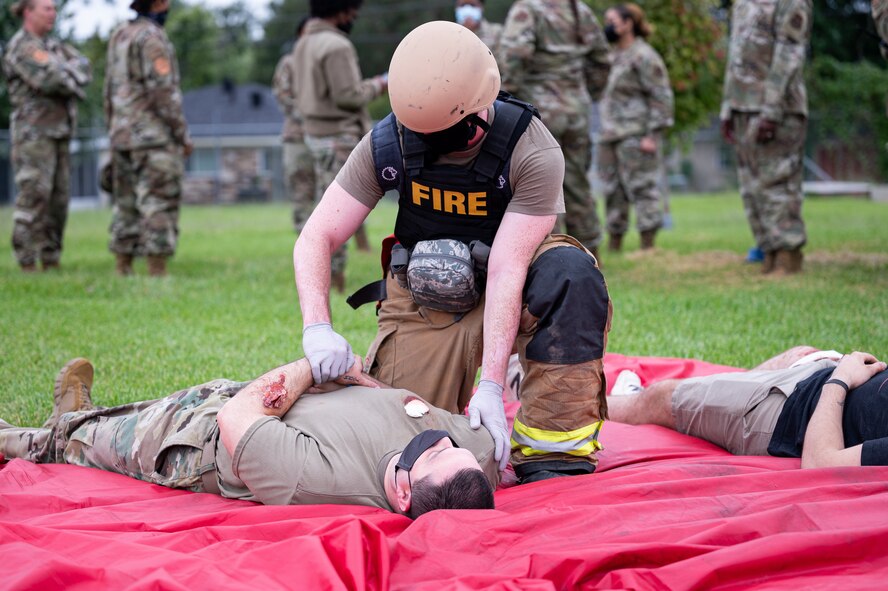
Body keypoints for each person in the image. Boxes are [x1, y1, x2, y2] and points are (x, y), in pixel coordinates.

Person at [294, 21, 612, 485]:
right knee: (398, 446)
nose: (438, 147)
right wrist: (317, 328)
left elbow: (507, 268)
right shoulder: (391, 142)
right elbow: (316, 235)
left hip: (514, 287)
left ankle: (551, 449)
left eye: (454, 135)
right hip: (428, 298)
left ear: (484, 104)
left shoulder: (532, 150)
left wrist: (490, 386)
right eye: (428, 137)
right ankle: (504, 375)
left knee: (569, 272)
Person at [0, 355, 497, 518]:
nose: (439, 440)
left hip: (199, 442)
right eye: (448, 446)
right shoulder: (464, 462)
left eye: (429, 455)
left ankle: (24, 437)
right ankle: (75, 418)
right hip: (264, 402)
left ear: (405, 491)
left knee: (84, 445)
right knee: (116, 418)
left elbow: (237, 416)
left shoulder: (315, 482)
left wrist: (311, 364)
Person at [607, 347, 888, 467]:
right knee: (800, 353)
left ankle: (584, 406)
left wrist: (841, 379)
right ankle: (722, 390)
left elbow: (822, 463)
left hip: (789, 413)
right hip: (825, 378)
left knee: (660, 397)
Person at [498, 0, 611, 259]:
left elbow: (516, 53)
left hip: (540, 112)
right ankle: (591, 252)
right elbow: (602, 58)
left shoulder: (527, 9)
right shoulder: (578, 10)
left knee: (544, 186)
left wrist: (506, 96)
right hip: (577, 110)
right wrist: (587, 92)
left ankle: (554, 255)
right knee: (577, 182)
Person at [291, 0, 387, 292]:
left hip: (313, 135)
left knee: (317, 213)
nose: (354, 16)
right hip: (338, 138)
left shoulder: (303, 44)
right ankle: (334, 283)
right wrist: (381, 83)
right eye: (353, 11)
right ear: (344, 11)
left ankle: (320, 277)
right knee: (336, 218)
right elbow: (348, 96)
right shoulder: (336, 46)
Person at [720, 0, 812, 275]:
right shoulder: (742, 3)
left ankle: (787, 254)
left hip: (778, 106)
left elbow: (790, 54)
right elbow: (735, 54)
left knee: (777, 182)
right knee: (752, 186)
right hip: (742, 105)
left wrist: (772, 109)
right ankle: (769, 251)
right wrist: (728, 106)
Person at [105, 0, 192, 278]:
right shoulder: (151, 38)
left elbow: (109, 88)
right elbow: (163, 92)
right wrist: (181, 133)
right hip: (152, 138)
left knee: (125, 203)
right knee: (158, 201)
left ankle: (123, 267)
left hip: (121, 135)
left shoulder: (120, 35)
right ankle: (157, 270)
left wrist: (113, 128)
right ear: (158, 4)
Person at [3, 0, 91, 273]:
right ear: (28, 11)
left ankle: (51, 259)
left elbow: (84, 67)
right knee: (35, 196)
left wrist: (68, 74)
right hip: (34, 135)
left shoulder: (54, 47)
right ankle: (27, 261)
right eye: (46, 8)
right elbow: (50, 79)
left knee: (59, 200)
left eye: (54, 8)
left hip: (60, 132)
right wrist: (69, 76)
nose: (53, 13)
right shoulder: (22, 46)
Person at [597, 4, 673, 253]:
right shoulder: (610, 55)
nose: (607, 25)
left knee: (642, 188)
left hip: (636, 134)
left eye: (612, 20)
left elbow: (661, 96)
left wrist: (652, 135)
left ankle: (647, 245)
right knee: (613, 191)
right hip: (611, 135)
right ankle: (615, 243)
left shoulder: (644, 56)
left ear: (628, 23)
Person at [272, 16, 317, 233]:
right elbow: (283, 97)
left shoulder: (326, 60)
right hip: (298, 137)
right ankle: (304, 239)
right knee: (301, 189)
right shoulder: (289, 63)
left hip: (325, 136)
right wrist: (313, 114)